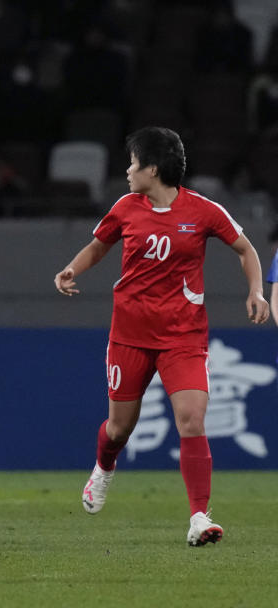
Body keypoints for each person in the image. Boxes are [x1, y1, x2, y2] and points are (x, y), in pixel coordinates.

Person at [54, 126, 269, 547]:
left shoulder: (204, 211)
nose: (128, 170)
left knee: (191, 420)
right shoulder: (125, 207)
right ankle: (103, 469)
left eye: (133, 163)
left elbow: (245, 249)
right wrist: (71, 270)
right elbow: (98, 246)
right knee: (118, 430)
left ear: (152, 168)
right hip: (130, 335)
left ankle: (199, 516)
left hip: (183, 336)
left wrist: (256, 290)